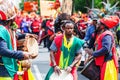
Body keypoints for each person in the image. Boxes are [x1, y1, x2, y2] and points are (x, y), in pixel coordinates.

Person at [0, 0, 33, 80]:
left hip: (8, 67)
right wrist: (21, 54)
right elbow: (2, 51)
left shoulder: (7, 28)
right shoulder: (1, 30)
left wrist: (25, 35)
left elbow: (14, 36)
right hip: (4, 69)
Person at [84, 16, 119, 80]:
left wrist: (93, 53)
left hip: (107, 64)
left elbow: (106, 49)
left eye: (99, 23)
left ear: (103, 26)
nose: (97, 25)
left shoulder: (107, 35)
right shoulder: (100, 33)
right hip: (102, 62)